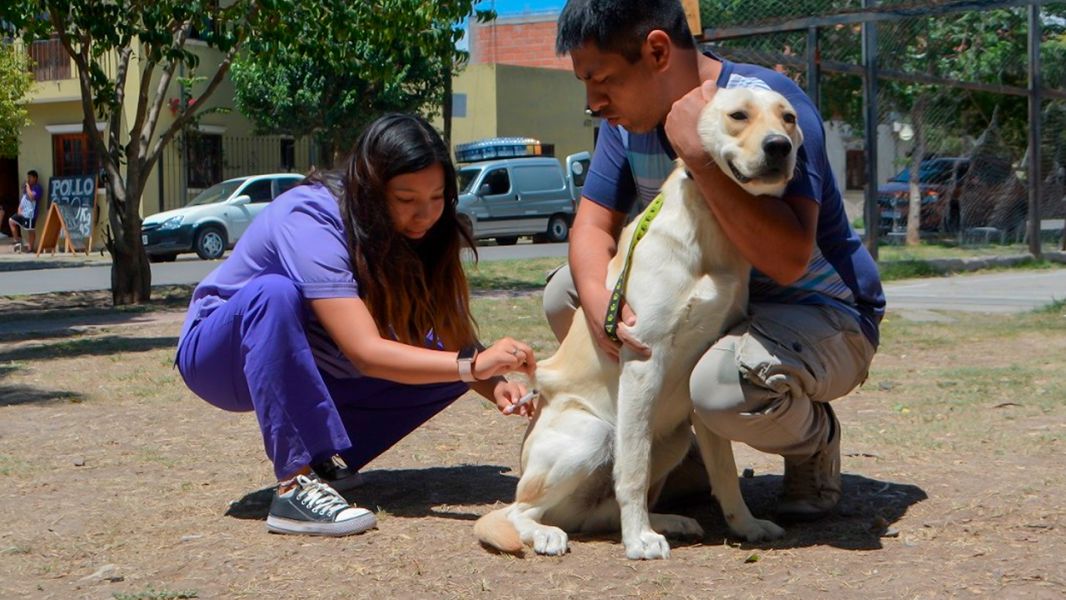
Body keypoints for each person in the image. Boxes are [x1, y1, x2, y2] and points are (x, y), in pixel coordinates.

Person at [546, 0, 885, 520]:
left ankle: (812, 441)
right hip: (721, 306)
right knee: (567, 291)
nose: (594, 101)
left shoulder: (771, 107)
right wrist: (600, 307)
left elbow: (790, 262)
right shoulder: (625, 124)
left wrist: (699, 155)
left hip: (821, 313)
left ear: (657, 51)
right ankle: (678, 453)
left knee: (720, 388)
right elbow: (591, 227)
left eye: (603, 80)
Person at [176, 114, 538, 537]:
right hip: (221, 357)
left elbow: (454, 341)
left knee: (442, 357)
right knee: (273, 293)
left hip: (306, 354)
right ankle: (294, 487)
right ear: (369, 189)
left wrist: (494, 382)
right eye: (406, 199)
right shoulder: (311, 214)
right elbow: (364, 352)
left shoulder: (425, 232)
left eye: (437, 197)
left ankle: (324, 458)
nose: (425, 215)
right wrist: (472, 366)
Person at [10, 170, 42, 252]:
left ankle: (30, 249)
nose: (28, 179)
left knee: (30, 230)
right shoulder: (27, 188)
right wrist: (19, 209)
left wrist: (27, 186)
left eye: (30, 177)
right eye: (28, 177)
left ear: (35, 178)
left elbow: (31, 197)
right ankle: (17, 241)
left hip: (31, 214)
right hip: (23, 213)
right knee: (11, 221)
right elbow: (24, 198)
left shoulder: (37, 188)